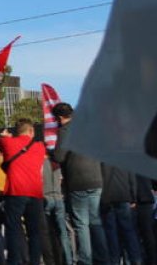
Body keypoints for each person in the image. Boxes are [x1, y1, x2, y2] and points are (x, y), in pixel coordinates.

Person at [51, 102, 108, 265]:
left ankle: (85, 260)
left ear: (60, 118)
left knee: (81, 224)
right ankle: (103, 258)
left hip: (78, 181)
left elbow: (60, 157)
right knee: (95, 221)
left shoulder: (65, 131)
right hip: (96, 179)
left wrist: (51, 154)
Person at [0, 120, 47, 265]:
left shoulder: (7, 142)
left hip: (15, 191)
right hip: (35, 192)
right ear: (31, 131)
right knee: (34, 232)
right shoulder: (39, 147)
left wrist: (4, 136)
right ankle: (35, 261)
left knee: (12, 228)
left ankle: (15, 260)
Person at [99, 163, 143, 265]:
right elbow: (132, 178)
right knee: (129, 231)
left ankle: (115, 261)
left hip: (108, 198)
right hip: (124, 196)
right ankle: (136, 260)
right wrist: (133, 197)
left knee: (111, 233)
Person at [42, 159, 72, 265]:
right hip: (58, 197)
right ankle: (68, 260)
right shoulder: (57, 163)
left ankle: (52, 260)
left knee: (47, 232)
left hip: (46, 197)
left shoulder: (40, 162)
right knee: (63, 232)